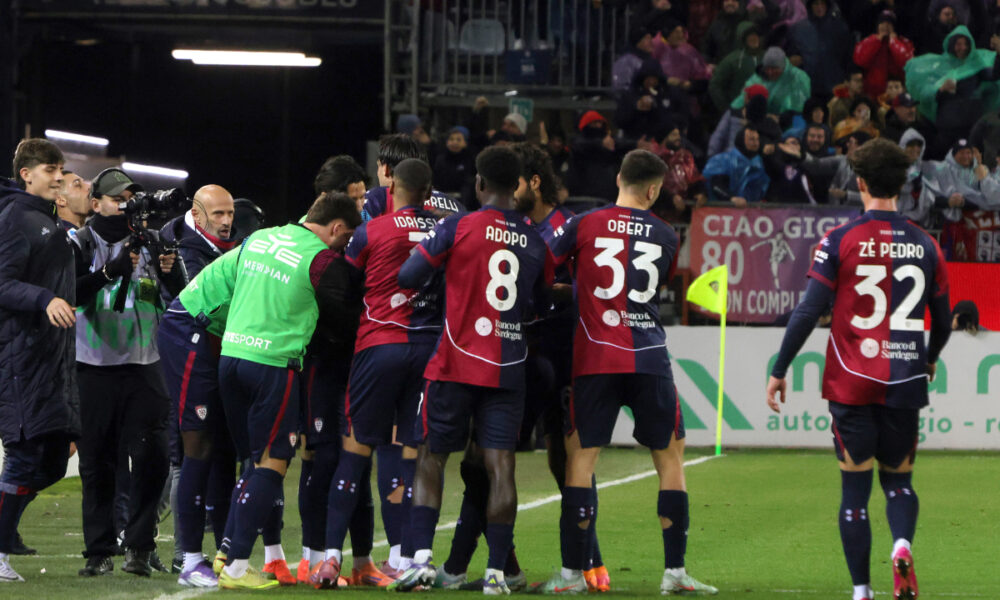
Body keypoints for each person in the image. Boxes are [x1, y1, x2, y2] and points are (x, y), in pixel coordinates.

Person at [766, 138, 952, 600]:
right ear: (906, 186)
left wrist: (780, 367)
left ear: (861, 183)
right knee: (899, 483)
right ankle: (902, 545)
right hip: (906, 378)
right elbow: (944, 321)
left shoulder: (839, 240)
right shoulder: (927, 244)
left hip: (851, 382)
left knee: (854, 492)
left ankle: (862, 591)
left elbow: (808, 312)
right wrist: (929, 358)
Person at [537, 150, 716, 595]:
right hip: (649, 356)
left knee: (581, 458)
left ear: (618, 177)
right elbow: (654, 287)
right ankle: (674, 573)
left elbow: (544, 266)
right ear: (655, 190)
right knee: (670, 458)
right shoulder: (665, 234)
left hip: (596, 357)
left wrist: (571, 289)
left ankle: (573, 575)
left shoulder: (582, 223)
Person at [389, 147, 553, 594]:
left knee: (431, 455)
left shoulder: (457, 226)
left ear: (479, 184)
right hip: (508, 366)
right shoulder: (537, 240)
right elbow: (542, 301)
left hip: (455, 360)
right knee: (500, 466)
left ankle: (421, 560)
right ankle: (498, 573)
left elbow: (407, 275)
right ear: (518, 185)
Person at [215, 193, 360, 590]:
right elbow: (345, 319)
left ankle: (224, 554)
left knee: (250, 460)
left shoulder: (261, 238)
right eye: (346, 237)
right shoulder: (322, 259)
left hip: (230, 358)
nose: (345, 244)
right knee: (273, 462)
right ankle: (238, 567)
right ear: (334, 229)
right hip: (273, 365)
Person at [308, 159, 440, 589]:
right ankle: (406, 558)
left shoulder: (370, 231)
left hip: (378, 347)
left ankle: (329, 559)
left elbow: (345, 280)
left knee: (356, 450)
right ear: (428, 190)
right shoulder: (445, 230)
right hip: (426, 350)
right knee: (409, 455)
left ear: (393, 187)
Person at [73, 167, 186, 578]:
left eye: (131, 198)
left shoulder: (153, 241)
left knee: (154, 459)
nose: (126, 206)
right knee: (98, 463)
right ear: (97, 203)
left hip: (145, 366)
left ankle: (139, 546)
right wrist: (110, 271)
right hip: (94, 367)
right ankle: (99, 550)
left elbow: (179, 296)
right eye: (117, 199)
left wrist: (171, 270)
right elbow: (69, 294)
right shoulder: (80, 242)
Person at [0, 139, 78, 583]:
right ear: (26, 174)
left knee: (51, 458)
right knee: (26, 454)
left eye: (61, 169)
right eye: (51, 169)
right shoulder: (14, 218)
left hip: (52, 356)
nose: (59, 177)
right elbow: (2, 283)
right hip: (20, 353)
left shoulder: (47, 221)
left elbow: (61, 294)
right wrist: (45, 298)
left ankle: (5, 533)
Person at [156, 185, 239, 587]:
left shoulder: (235, 242)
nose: (226, 221)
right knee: (196, 449)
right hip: (186, 339)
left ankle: (225, 558)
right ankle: (188, 559)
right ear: (198, 212)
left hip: (216, 344)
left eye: (229, 213)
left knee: (223, 451)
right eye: (218, 213)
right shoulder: (176, 246)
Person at [905, 25, 1000, 156]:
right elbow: (925, 93)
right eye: (958, 44)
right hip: (948, 126)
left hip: (971, 126)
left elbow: (995, 75)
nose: (963, 48)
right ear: (951, 45)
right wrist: (940, 89)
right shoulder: (938, 66)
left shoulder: (976, 66)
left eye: (966, 44)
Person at [363, 134, 464, 220]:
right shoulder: (454, 204)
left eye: (378, 166)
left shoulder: (375, 199)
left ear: (386, 169)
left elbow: (355, 237)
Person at [787, 0, 853, 98]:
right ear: (810, 6)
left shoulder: (840, 27)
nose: (819, 7)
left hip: (834, 84)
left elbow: (848, 55)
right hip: (808, 85)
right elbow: (792, 54)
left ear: (827, 5)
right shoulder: (798, 29)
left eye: (822, 3)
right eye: (816, 3)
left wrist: (848, 78)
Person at [730, 46, 811, 116]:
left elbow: (798, 108)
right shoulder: (760, 75)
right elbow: (744, 95)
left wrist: (779, 119)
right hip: (760, 120)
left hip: (788, 123)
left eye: (774, 68)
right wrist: (734, 111)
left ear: (783, 67)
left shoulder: (797, 77)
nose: (770, 72)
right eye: (767, 68)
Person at [853, 11, 915, 100]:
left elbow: (907, 64)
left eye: (889, 23)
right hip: (872, 94)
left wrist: (893, 42)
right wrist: (876, 41)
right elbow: (860, 60)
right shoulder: (869, 40)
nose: (885, 26)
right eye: (882, 23)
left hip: (897, 95)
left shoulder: (903, 42)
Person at [703, 125, 770, 205]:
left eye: (757, 139)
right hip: (720, 211)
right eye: (751, 139)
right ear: (741, 141)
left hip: (749, 212)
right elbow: (716, 185)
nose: (756, 143)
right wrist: (731, 198)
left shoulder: (758, 163)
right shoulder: (723, 160)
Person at [709, 21, 765, 113]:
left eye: (757, 35)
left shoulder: (768, 57)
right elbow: (715, 85)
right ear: (742, 38)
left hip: (766, 113)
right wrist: (727, 108)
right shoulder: (732, 60)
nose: (754, 38)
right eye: (750, 35)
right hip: (739, 112)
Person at [702, 0, 748, 66]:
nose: (730, 3)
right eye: (726, 0)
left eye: (734, 0)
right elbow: (706, 49)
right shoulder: (716, 24)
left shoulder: (748, 24)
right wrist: (709, 64)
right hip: (720, 68)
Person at [433, 126, 475, 198]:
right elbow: (436, 179)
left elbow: (469, 181)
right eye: (451, 139)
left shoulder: (469, 159)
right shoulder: (440, 159)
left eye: (458, 140)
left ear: (465, 143)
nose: (454, 142)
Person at [612, 24, 656, 93]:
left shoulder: (650, 60)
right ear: (638, 42)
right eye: (647, 38)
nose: (651, 41)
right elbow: (621, 87)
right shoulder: (626, 61)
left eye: (651, 38)